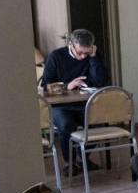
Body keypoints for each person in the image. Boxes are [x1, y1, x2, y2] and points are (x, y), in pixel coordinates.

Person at [41, 29, 109, 172]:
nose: (83, 56)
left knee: (98, 122)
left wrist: (94, 57)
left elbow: (100, 81)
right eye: (80, 53)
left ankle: (83, 155)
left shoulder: (93, 56)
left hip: (85, 103)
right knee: (66, 124)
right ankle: (69, 163)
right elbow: (45, 86)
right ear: (71, 45)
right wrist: (67, 86)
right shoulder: (56, 57)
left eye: (87, 53)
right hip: (61, 106)